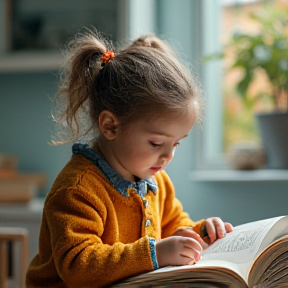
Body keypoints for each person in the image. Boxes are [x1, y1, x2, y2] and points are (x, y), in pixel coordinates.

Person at [26, 29, 233, 288]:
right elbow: (78, 266)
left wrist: (202, 231)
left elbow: (174, 225)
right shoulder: (77, 190)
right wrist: (155, 253)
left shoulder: (156, 181)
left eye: (176, 143)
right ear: (111, 126)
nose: (168, 155)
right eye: (157, 143)